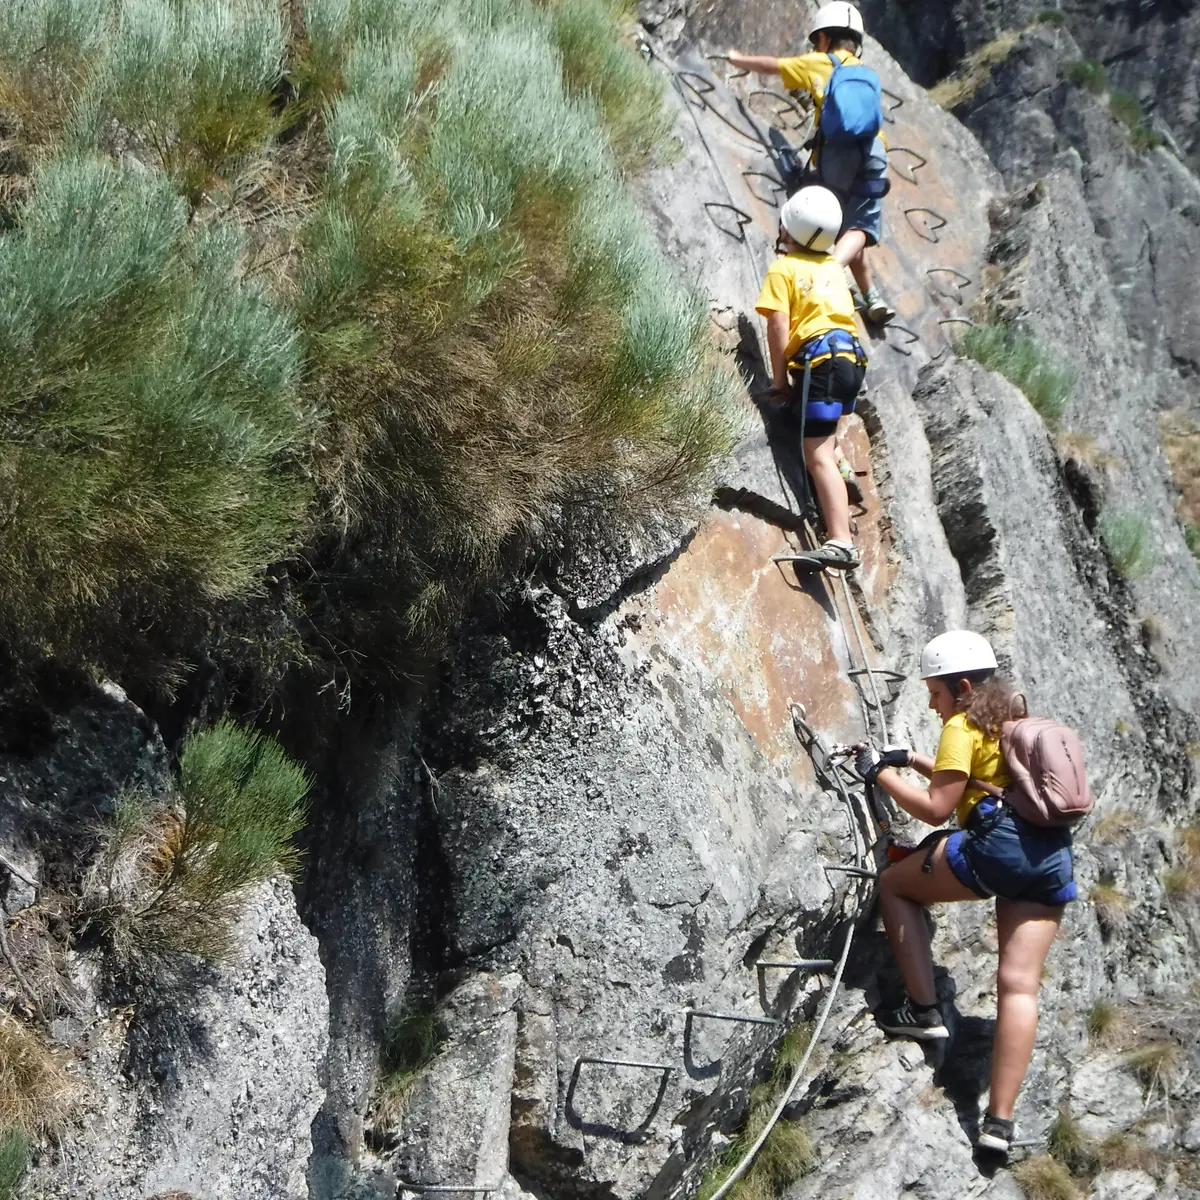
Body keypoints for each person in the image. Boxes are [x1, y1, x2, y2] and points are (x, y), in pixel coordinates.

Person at [855, 631, 1078, 1156]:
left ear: (958, 687)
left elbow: (937, 808)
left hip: (996, 851)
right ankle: (999, 1123)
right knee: (1019, 986)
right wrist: (909, 756)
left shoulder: (961, 724)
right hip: (1048, 858)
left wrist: (878, 774)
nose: (933, 706)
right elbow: (979, 784)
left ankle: (923, 1011)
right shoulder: (1012, 719)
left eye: (934, 694)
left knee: (894, 885)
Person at [728, 2, 896, 325]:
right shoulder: (865, 74)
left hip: (836, 154)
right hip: (875, 151)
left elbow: (772, 66)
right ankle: (872, 297)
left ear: (823, 38)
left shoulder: (820, 62)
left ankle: (827, 271)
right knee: (861, 225)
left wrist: (738, 59)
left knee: (840, 222)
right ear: (855, 42)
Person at [755, 185, 867, 570]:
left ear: (786, 230)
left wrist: (780, 382)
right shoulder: (832, 268)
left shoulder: (784, 268)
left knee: (813, 453)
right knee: (825, 436)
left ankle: (841, 541)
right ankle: (842, 468)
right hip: (850, 361)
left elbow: (778, 325)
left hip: (820, 364)